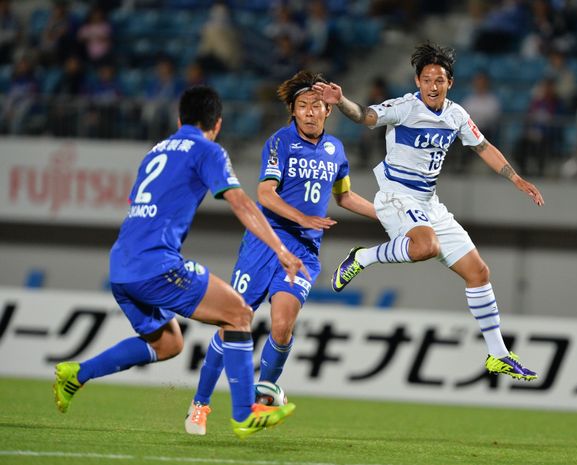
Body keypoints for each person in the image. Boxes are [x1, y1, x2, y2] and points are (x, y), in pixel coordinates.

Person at [52, 85, 303, 439]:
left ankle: (75, 374)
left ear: (179, 118)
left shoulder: (155, 151)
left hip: (122, 266)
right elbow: (242, 203)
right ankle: (245, 413)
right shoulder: (208, 149)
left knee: (168, 344)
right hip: (156, 264)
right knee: (239, 313)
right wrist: (280, 248)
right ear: (217, 123)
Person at [314, 42, 544, 381]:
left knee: (478, 273)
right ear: (417, 82)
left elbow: (483, 147)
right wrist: (341, 101)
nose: (432, 86)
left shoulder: (456, 115)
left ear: (449, 82)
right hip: (397, 196)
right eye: (426, 80)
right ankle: (362, 258)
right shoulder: (405, 108)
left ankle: (498, 355)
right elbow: (366, 116)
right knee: (425, 246)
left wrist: (516, 178)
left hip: (428, 204)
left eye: (439, 80)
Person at [184, 71, 377, 435]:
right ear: (292, 111)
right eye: (302, 106)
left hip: (304, 250)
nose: (309, 112)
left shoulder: (336, 150)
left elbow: (344, 196)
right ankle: (200, 404)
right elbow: (267, 194)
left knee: (283, 326)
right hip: (264, 243)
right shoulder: (279, 143)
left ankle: (262, 396)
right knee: (233, 322)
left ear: (327, 111)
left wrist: (385, 213)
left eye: (316, 106)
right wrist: (304, 216)